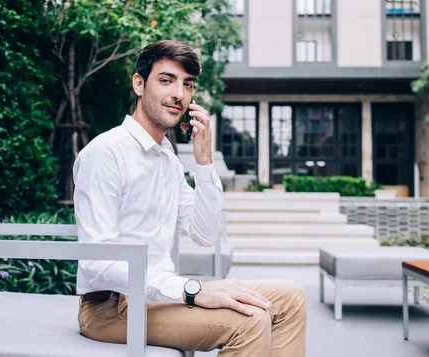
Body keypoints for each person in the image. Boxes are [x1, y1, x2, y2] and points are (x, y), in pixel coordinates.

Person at [73, 39, 306, 356]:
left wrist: (204, 163)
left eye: (187, 84)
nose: (178, 94)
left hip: (158, 297)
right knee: (251, 320)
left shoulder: (166, 158)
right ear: (139, 84)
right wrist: (191, 289)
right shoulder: (105, 154)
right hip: (110, 309)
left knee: (291, 297)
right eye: (166, 80)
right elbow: (97, 263)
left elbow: (205, 234)